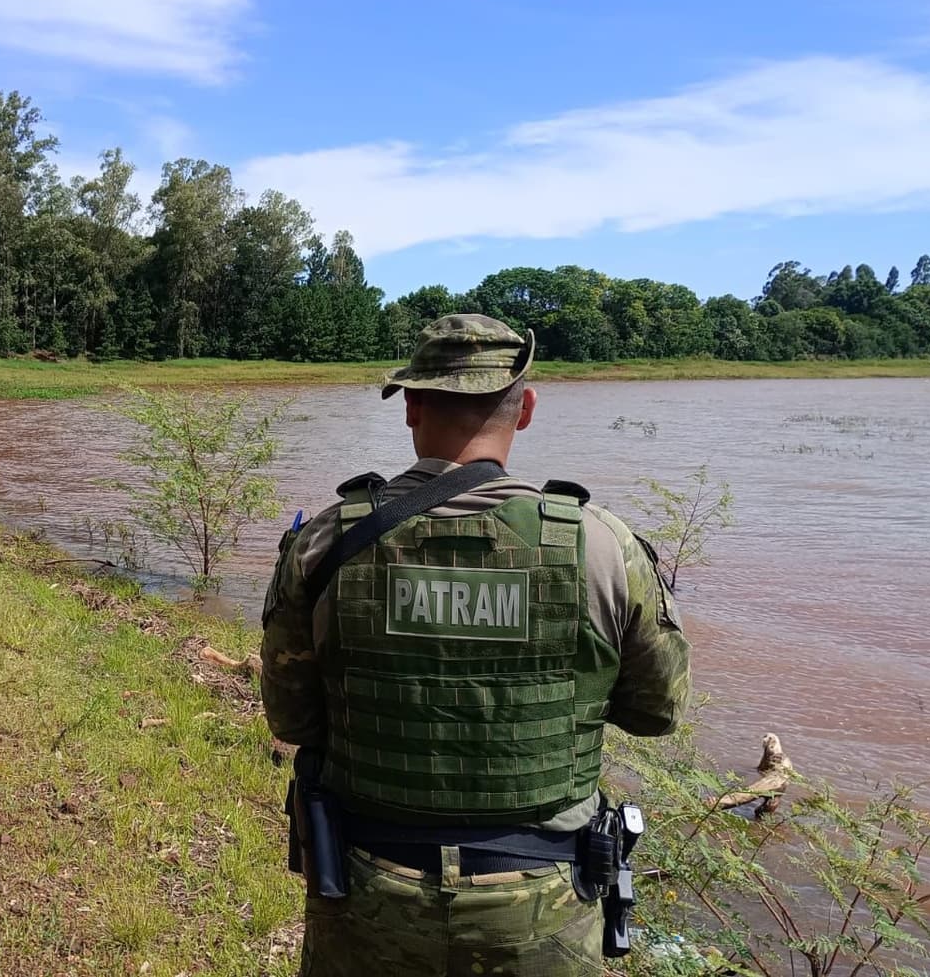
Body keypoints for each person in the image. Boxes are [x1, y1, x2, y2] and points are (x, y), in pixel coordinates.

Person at [260, 314, 692, 977]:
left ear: (411, 405)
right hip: (544, 899)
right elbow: (656, 711)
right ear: (526, 409)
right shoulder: (603, 546)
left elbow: (292, 719)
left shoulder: (325, 541)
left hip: (368, 886)